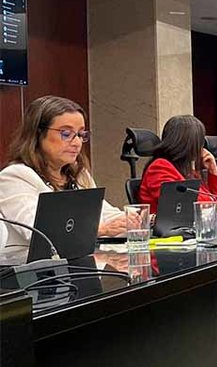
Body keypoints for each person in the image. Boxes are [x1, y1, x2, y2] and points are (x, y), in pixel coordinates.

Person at [0, 96, 127, 263]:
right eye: (66, 134)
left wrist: (131, 220)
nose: (77, 142)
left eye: (81, 134)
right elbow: (39, 233)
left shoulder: (78, 174)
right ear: (38, 134)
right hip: (32, 276)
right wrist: (101, 230)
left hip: (78, 266)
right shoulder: (15, 176)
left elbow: (105, 214)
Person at [138, 115, 217, 213]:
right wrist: (213, 207)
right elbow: (180, 204)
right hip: (169, 226)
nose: (202, 148)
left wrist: (213, 169)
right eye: (199, 143)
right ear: (189, 144)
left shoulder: (187, 171)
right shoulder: (159, 167)